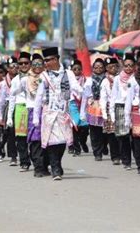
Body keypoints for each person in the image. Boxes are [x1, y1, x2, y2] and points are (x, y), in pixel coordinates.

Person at [34, 47, 83, 181]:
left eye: (49, 60)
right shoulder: (44, 76)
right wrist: (35, 117)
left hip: (63, 112)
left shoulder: (68, 73)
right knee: (51, 142)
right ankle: (56, 169)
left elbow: (75, 87)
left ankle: (56, 163)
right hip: (49, 113)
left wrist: (84, 91)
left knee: (62, 141)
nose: (46, 63)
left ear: (56, 59)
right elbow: (38, 97)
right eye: (45, 61)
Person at [110, 54, 135, 170]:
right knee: (123, 136)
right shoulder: (117, 79)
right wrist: (112, 114)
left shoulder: (136, 78)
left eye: (131, 65)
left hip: (134, 108)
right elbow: (113, 96)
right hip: (120, 107)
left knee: (135, 135)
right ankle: (126, 161)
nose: (128, 68)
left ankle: (138, 157)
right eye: (126, 66)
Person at [7, 52, 31, 171]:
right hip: (20, 108)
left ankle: (37, 160)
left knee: (34, 138)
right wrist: (9, 117)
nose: (23, 65)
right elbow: (12, 98)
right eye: (20, 63)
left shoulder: (37, 77)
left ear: (30, 63)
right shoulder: (16, 80)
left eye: (26, 63)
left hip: (32, 108)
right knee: (21, 138)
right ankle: (24, 162)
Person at [100, 57, 121, 164]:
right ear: (106, 68)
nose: (113, 68)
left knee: (121, 133)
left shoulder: (121, 78)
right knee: (112, 134)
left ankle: (123, 154)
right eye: (110, 67)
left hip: (120, 107)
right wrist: (104, 112)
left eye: (115, 66)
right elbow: (103, 97)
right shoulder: (105, 81)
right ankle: (115, 156)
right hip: (109, 108)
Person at [68, 59, 89, 156]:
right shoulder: (67, 79)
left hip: (83, 104)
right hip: (72, 103)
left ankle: (83, 141)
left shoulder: (85, 79)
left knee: (84, 126)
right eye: (74, 69)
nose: (76, 71)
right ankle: (76, 149)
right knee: (75, 125)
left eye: (78, 69)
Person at [3, 56, 19, 166]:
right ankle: (13, 156)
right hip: (9, 106)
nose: (14, 68)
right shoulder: (4, 82)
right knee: (10, 132)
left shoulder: (21, 78)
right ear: (8, 68)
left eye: (16, 66)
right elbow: (0, 99)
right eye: (11, 66)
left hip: (21, 105)